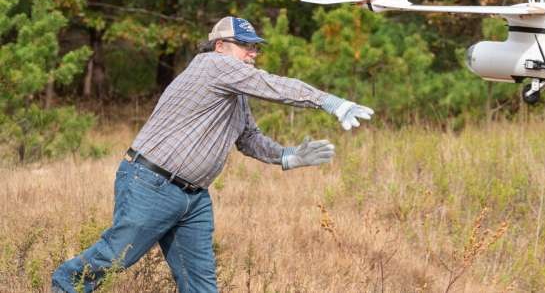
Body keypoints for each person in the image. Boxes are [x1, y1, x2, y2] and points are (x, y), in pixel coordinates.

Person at [52, 16, 373, 292]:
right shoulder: (212, 65)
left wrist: (288, 157)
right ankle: (64, 284)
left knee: (200, 284)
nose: (253, 52)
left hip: (193, 198)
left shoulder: (235, 93)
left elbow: (248, 138)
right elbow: (273, 85)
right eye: (244, 44)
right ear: (220, 46)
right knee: (115, 256)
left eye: (256, 46)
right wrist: (332, 102)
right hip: (152, 183)